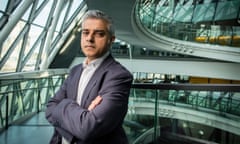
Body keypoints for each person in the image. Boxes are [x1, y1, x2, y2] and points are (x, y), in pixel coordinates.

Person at [45, 9, 133, 144]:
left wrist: (62, 106)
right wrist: (81, 115)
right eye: (85, 32)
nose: (89, 38)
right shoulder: (74, 71)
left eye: (99, 34)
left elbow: (88, 127)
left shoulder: (119, 76)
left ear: (111, 40)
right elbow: (50, 108)